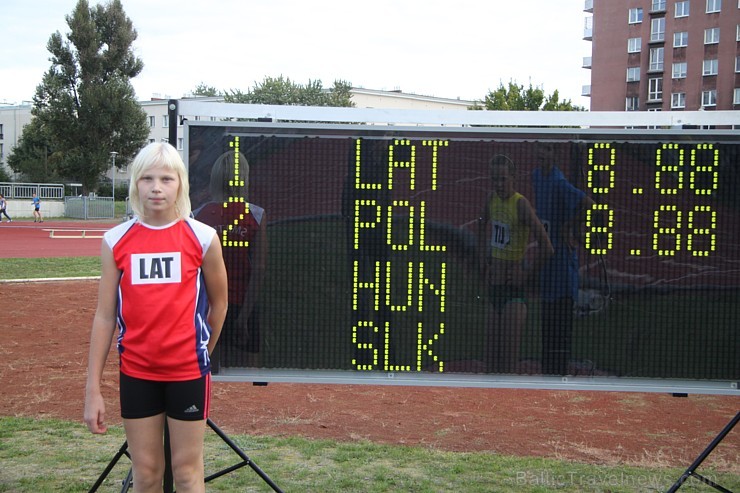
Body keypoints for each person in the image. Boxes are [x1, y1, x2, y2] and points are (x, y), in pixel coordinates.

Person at [84, 142, 228, 493]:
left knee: (186, 472)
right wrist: (92, 389)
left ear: (180, 183)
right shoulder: (116, 241)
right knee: (146, 474)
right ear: (135, 184)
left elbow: (220, 303)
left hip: (188, 372)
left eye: (166, 178)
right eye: (147, 178)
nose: (157, 187)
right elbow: (105, 316)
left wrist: (204, 348)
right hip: (137, 373)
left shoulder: (203, 237)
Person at [478, 154, 553, 374]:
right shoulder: (491, 200)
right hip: (494, 291)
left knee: (507, 366)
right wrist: (484, 262)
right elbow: (481, 225)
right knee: (490, 365)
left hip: (513, 294)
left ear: (513, 178)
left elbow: (547, 247)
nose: (499, 185)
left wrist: (526, 275)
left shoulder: (521, 205)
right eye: (494, 180)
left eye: (503, 179)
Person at [193, 150, 267, 369]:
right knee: (248, 374)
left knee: (208, 369)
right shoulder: (255, 215)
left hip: (207, 306)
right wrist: (244, 317)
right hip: (243, 303)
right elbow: (260, 268)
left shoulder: (198, 216)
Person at [532, 143, 595, 375]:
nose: (542, 153)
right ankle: (548, 374)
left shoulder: (559, 183)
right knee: (547, 325)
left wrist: (569, 226)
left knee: (560, 327)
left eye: (547, 149)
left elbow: (589, 204)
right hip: (546, 263)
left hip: (562, 266)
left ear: (555, 154)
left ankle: (558, 375)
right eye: (539, 148)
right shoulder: (536, 176)